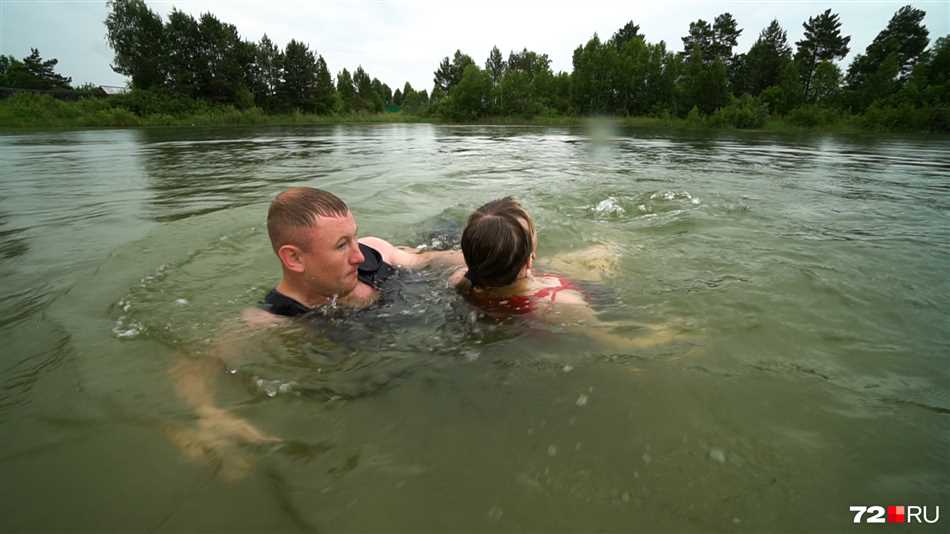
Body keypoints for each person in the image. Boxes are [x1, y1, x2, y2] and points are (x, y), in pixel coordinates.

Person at [168, 187, 465, 478]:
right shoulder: (273, 320)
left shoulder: (375, 253)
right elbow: (194, 361)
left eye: (354, 237)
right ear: (294, 258)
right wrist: (207, 412)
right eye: (341, 245)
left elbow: (427, 260)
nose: (358, 255)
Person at [451, 197, 679, 347]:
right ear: (530, 260)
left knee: (594, 253)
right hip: (585, 294)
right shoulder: (559, 303)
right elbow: (616, 340)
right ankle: (620, 240)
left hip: (525, 288)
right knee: (605, 251)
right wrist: (679, 334)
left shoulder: (462, 280)